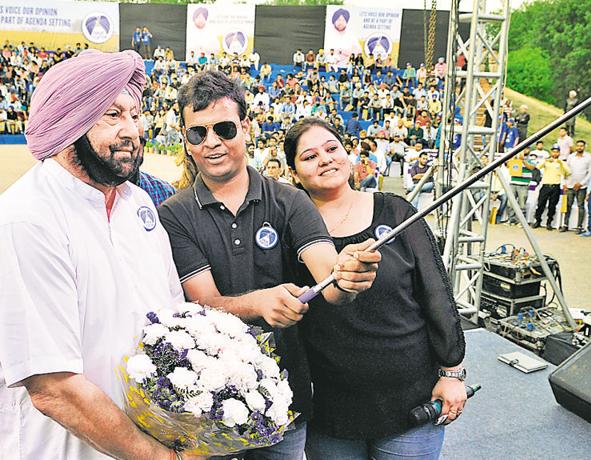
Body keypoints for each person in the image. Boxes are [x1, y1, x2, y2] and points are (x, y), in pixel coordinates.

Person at [157, 71, 381, 460]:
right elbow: (201, 302)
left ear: (246, 127)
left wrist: (348, 275)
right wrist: (259, 304)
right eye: (198, 133)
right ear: (185, 138)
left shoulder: (291, 201)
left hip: (283, 404)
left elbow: (329, 277)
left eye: (224, 129)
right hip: (204, 409)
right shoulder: (174, 215)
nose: (212, 143)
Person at [0, 50, 198, 459]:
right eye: (112, 114)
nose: (133, 130)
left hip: (147, 441)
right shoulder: (28, 217)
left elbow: (174, 325)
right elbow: (54, 388)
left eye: (136, 114)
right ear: (69, 122)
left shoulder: (139, 204)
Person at [283, 117, 466, 460]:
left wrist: (452, 373)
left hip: (410, 402)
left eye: (332, 148)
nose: (325, 159)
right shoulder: (289, 228)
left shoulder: (396, 210)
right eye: (309, 156)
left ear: (347, 154)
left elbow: (436, 294)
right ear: (293, 173)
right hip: (331, 409)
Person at [533, 144, 571, 230]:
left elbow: (568, 172)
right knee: (540, 204)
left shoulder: (562, 163)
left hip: (555, 186)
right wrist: (546, 161)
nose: (555, 153)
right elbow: (538, 167)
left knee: (552, 206)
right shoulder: (546, 161)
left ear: (559, 153)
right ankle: (538, 220)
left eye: (557, 152)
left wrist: (561, 163)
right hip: (546, 185)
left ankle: (549, 222)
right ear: (551, 152)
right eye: (554, 151)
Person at [561, 140, 591, 233]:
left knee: (580, 206)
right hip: (570, 185)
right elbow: (565, 170)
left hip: (581, 187)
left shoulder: (589, 158)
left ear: (584, 147)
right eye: (578, 146)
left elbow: (590, 173)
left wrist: (581, 183)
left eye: (581, 146)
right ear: (575, 147)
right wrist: (564, 183)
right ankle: (565, 224)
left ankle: (579, 226)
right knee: (568, 205)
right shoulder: (571, 157)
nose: (579, 147)